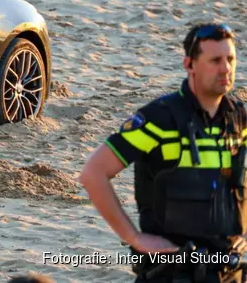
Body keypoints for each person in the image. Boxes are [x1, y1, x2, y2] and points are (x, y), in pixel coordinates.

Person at [80, 23, 247, 282]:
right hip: (171, 272)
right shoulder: (158, 118)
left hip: (228, 271)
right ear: (189, 64)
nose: (226, 68)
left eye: (230, 59)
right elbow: (93, 173)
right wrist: (133, 237)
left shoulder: (239, 117)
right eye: (215, 60)